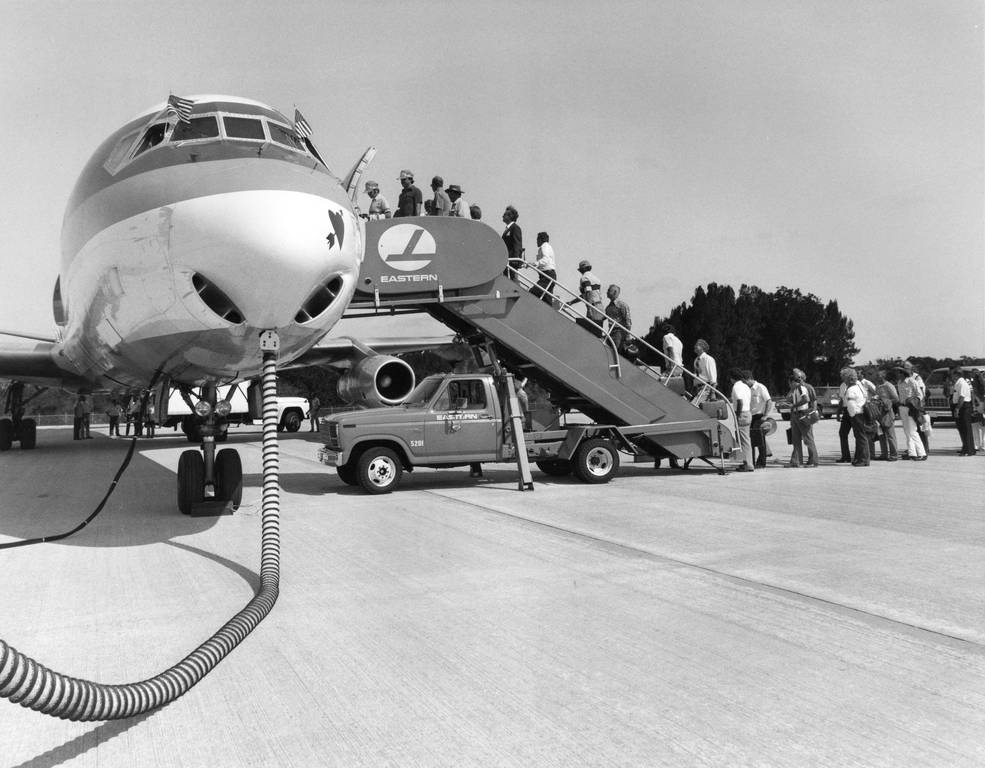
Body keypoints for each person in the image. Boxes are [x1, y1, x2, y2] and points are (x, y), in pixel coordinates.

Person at [897, 360, 927, 461]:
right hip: (902, 408)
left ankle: (922, 452)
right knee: (907, 432)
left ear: (903, 373)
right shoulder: (899, 383)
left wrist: (914, 402)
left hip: (911, 408)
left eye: (899, 372)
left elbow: (920, 395)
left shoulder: (912, 381)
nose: (898, 374)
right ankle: (912, 453)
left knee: (913, 431)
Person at [787, 370, 818, 468]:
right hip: (795, 415)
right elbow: (788, 398)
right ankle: (797, 461)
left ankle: (813, 461)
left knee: (808, 438)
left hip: (802, 414)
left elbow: (808, 400)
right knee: (795, 439)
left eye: (789, 383)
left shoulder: (802, 388)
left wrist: (794, 405)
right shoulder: (795, 389)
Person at [840, 367, 870, 466]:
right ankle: (861, 458)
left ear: (848, 378)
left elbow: (851, 405)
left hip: (856, 414)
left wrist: (852, 416)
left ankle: (863, 460)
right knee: (861, 437)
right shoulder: (859, 387)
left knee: (861, 438)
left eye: (844, 377)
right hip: (861, 413)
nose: (843, 379)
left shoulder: (851, 390)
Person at [568, 260, 605, 334]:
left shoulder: (584, 278)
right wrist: (572, 302)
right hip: (599, 306)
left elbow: (588, 292)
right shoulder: (596, 279)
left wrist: (589, 308)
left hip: (592, 307)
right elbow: (586, 294)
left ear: (582, 269)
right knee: (597, 330)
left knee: (591, 331)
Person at [745, 370, 772, 468]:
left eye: (745, 381)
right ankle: (751, 461)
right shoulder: (747, 389)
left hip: (759, 417)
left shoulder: (760, 387)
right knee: (750, 441)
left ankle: (761, 462)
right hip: (750, 417)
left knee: (760, 441)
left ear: (749, 379)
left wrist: (765, 416)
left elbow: (769, 401)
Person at [729, 368, 754, 471]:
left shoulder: (736, 387)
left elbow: (740, 401)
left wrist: (737, 415)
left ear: (732, 378)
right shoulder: (745, 386)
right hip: (747, 412)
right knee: (745, 439)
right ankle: (746, 462)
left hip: (741, 414)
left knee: (744, 441)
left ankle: (748, 464)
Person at [874, 369, 899, 461]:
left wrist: (885, 402)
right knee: (881, 434)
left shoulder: (889, 386)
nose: (877, 377)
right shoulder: (878, 386)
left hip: (887, 412)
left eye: (878, 375)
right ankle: (884, 454)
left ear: (883, 376)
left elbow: (896, 399)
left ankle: (894, 454)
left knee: (890, 434)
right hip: (879, 413)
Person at [951, 366, 976, 456]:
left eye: (953, 374)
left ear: (957, 375)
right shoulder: (958, 383)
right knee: (962, 429)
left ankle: (969, 450)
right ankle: (965, 448)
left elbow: (962, 397)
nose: (951, 376)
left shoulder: (962, 383)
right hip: (960, 406)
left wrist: (957, 409)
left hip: (964, 407)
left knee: (966, 429)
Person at [604, 284, 632, 353]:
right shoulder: (608, 306)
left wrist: (628, 335)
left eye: (609, 290)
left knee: (616, 352)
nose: (606, 292)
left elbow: (628, 321)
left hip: (619, 332)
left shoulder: (622, 305)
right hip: (610, 332)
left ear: (615, 292)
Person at [531, 232, 557, 305]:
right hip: (548, 275)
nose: (536, 242)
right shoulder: (547, 246)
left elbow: (546, 259)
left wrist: (535, 263)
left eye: (537, 239)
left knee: (533, 292)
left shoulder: (544, 246)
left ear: (540, 239)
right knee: (546, 300)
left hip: (547, 276)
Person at [501, 205, 523, 272]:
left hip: (511, 263)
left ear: (510, 216)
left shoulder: (515, 228)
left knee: (512, 279)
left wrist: (515, 260)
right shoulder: (507, 229)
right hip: (506, 262)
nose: (502, 216)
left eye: (504, 215)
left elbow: (517, 244)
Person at [972, 370, 985, 451]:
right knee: (982, 428)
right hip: (980, 409)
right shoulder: (978, 388)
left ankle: (977, 445)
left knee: (976, 427)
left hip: (978, 408)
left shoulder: (975, 388)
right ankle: (982, 445)